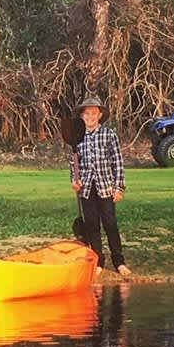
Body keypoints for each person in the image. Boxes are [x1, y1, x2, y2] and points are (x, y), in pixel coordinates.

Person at [70, 92, 130, 278]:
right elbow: (74, 163)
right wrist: (75, 180)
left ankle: (119, 261)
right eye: (86, 114)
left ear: (100, 115)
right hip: (87, 189)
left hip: (106, 187)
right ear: (82, 116)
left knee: (110, 224)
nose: (90, 117)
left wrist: (119, 187)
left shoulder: (108, 135)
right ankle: (98, 261)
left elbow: (117, 162)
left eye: (93, 114)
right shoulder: (78, 138)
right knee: (92, 226)